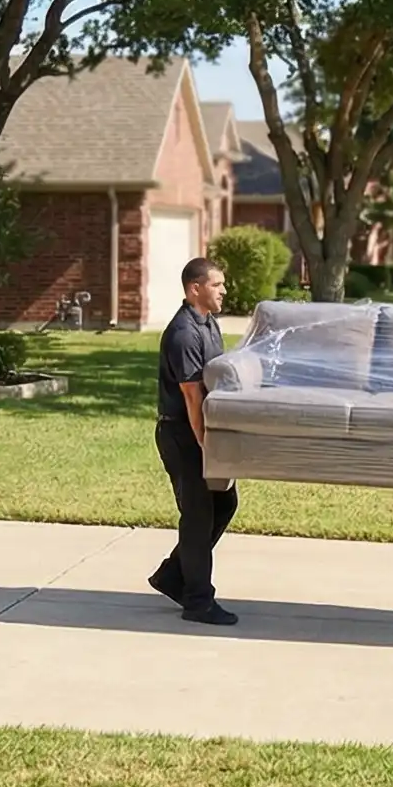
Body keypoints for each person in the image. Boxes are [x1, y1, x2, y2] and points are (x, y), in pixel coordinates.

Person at [151, 257, 239, 626]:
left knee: (224, 503)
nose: (223, 290)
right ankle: (198, 602)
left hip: (200, 431)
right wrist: (207, 446)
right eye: (217, 285)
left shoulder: (208, 323)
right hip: (184, 434)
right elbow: (191, 396)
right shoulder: (184, 333)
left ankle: (173, 575)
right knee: (198, 516)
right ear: (195, 289)